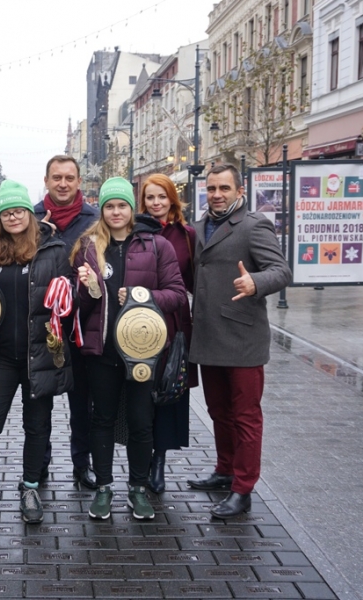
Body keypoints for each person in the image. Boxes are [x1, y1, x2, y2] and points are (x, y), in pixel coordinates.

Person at [72, 177, 187, 521]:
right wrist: (89, 290)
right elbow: (79, 307)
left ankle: (137, 488)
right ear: (102, 210)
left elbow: (177, 294)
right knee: (102, 418)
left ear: (131, 208)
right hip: (103, 349)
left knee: (140, 420)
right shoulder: (88, 246)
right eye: (109, 206)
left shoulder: (156, 245)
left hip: (142, 351)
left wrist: (144, 296)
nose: (116, 212)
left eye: (122, 205)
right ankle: (104, 488)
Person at [0, 180, 72, 527]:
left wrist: (73, 288)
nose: (13, 217)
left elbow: (68, 302)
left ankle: (30, 487)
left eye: (19, 211)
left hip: (38, 354)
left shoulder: (53, 250)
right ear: (0, 217)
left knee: (37, 427)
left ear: (30, 213)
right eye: (7, 212)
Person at [186, 164, 292, 518]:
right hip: (208, 335)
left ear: (240, 191)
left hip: (242, 337)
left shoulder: (253, 225)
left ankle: (243, 488)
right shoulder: (198, 227)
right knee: (218, 411)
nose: (217, 195)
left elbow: (281, 271)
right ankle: (225, 469)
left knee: (245, 416)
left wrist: (255, 283)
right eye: (212, 188)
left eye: (224, 188)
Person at [33, 155, 100, 489]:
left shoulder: (95, 219)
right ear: (46, 180)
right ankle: (39, 462)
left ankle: (82, 463)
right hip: (41, 323)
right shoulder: (30, 217)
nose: (63, 184)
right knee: (40, 401)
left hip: (82, 323)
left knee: (83, 402)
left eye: (69, 178)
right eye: (56, 177)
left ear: (78, 182)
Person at [138, 174, 198, 494]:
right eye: (150, 197)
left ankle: (158, 459)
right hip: (139, 322)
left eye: (162, 197)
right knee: (140, 391)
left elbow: (196, 280)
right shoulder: (134, 232)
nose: (156, 203)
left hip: (174, 322)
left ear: (172, 199)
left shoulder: (186, 235)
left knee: (168, 389)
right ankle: (141, 455)